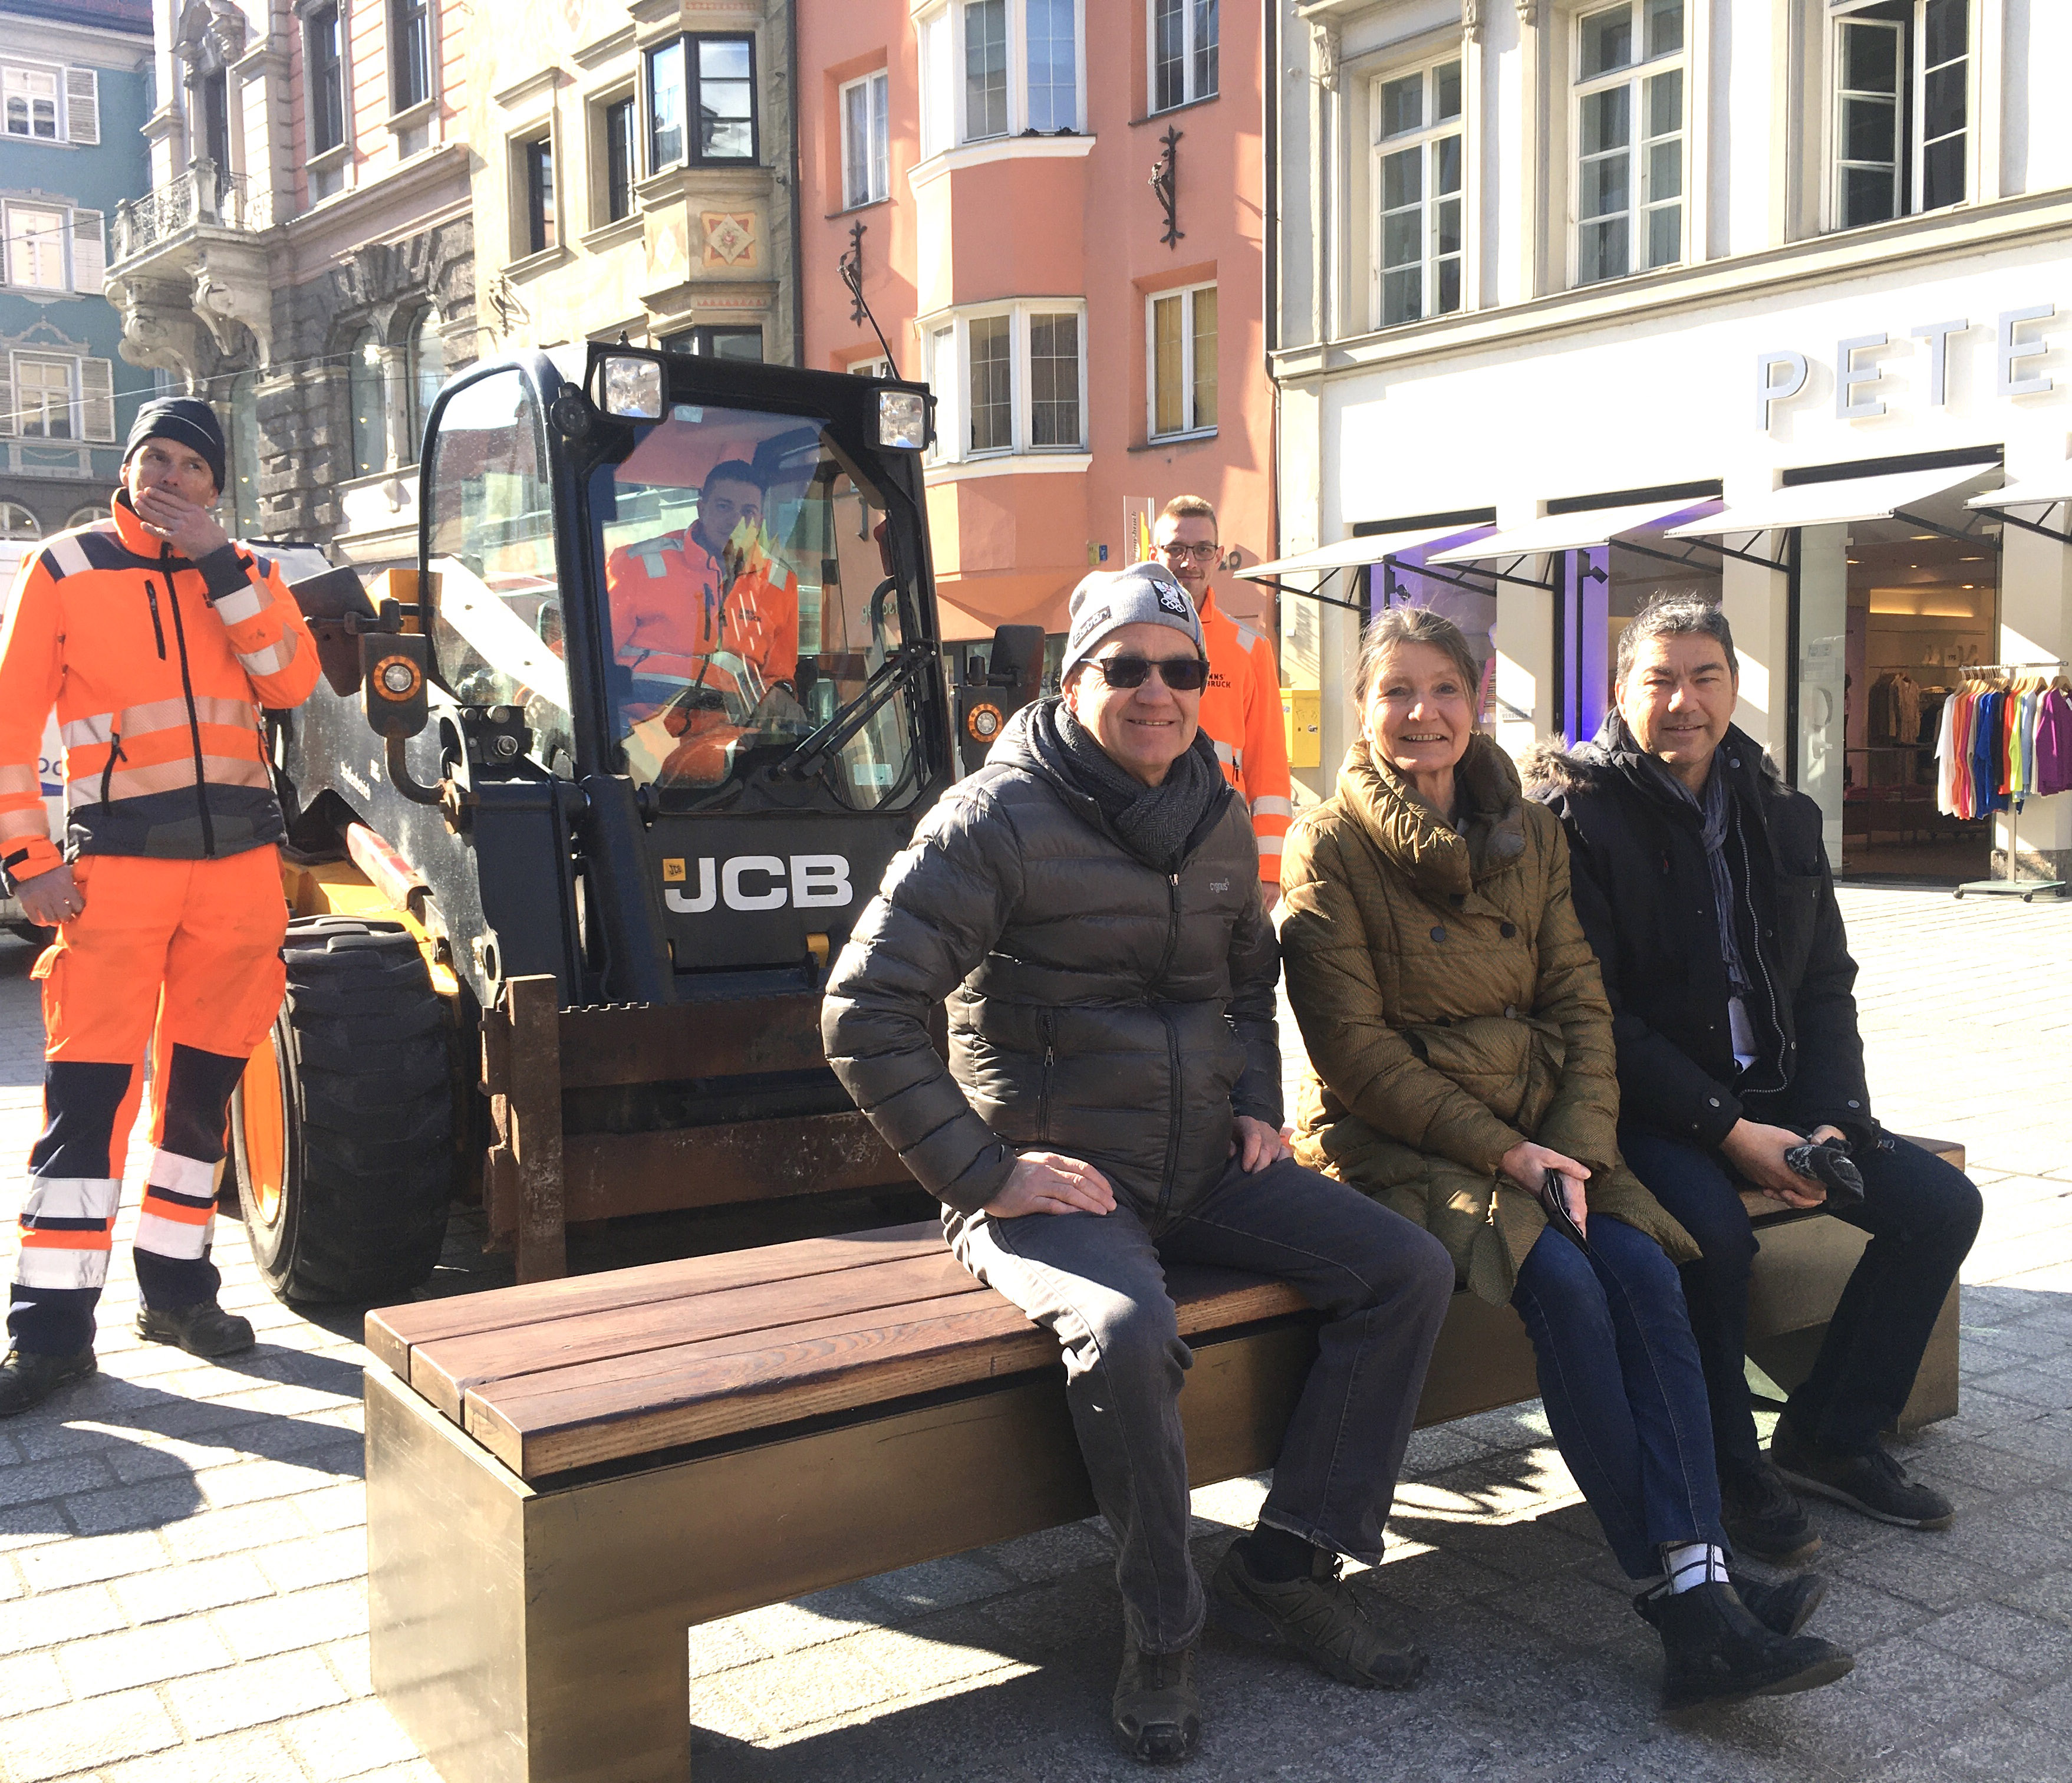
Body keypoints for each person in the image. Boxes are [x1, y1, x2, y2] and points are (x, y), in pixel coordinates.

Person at [824, 561, 1457, 1763]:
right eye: (1125, 667)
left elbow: (1243, 979)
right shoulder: (992, 819)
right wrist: (983, 1174)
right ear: (1073, 682)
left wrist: (1260, 1105)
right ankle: (1161, 1632)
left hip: (1202, 1167)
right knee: (1123, 1330)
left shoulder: (1215, 813)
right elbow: (862, 1010)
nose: (1156, 691)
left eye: (1180, 671)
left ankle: (1288, 1559)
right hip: (1053, 1184)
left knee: (1407, 1268)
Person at [1279, 606, 1852, 1713]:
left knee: (1647, 1275)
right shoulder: (1328, 843)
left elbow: (1583, 1006)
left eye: (1442, 688)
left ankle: (1706, 1577)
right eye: (1396, 692)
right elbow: (1353, 1054)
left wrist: (1578, 1150)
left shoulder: (1528, 830)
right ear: (1364, 706)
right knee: (1571, 1291)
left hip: (1551, 1136)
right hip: (1406, 1143)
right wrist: (1512, 1149)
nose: (1422, 714)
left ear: (1477, 695)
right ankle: (1685, 1604)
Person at [1529, 595, 1982, 1562]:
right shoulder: (1575, 812)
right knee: (1714, 1237)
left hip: (1779, 1092)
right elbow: (1595, 1011)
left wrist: (1832, 1116)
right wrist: (1731, 1131)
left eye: (1705, 677)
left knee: (1939, 1204)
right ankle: (1732, 1469)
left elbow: (1826, 980)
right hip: (1651, 1104)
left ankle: (1831, 1430)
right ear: (1620, 690)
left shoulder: (1781, 812)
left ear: (1736, 687)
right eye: (1659, 678)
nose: (1683, 701)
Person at [0, 397, 321, 1416]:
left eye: (189, 463)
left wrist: (224, 567)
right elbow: (9, 723)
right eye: (153, 458)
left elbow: (290, 683)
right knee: (87, 1106)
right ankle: (49, 1333)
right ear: (127, 469)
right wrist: (24, 857)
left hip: (236, 879)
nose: (168, 477)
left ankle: (178, 1288)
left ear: (216, 485)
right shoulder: (64, 565)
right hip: (115, 877)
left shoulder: (257, 575)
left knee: (196, 1103)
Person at [604, 458, 802, 783]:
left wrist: (779, 693)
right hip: (637, 736)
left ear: (760, 518)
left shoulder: (780, 582)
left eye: (748, 512)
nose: (736, 520)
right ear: (701, 507)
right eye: (724, 506)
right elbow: (589, 662)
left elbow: (778, 675)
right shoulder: (637, 564)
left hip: (724, 743)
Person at [1152, 496, 1293, 903]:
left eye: (1200, 550)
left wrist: (1270, 869)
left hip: (1218, 836)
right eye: (1175, 549)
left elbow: (1267, 764)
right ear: (1153, 554)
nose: (1188, 562)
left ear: (1218, 557)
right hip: (1137, 828)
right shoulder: (1126, 637)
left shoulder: (1248, 648)